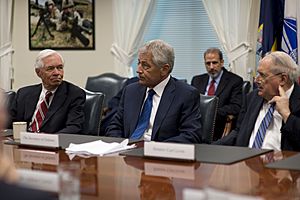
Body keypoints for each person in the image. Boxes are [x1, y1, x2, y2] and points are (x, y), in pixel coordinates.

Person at [106, 39, 202, 143]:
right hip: (127, 153)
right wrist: (121, 145)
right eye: (139, 63)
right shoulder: (130, 90)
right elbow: (114, 126)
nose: (138, 70)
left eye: (145, 66)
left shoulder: (186, 95)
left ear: (164, 69)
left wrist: (154, 149)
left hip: (160, 155)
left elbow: (191, 135)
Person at [215, 51, 300, 151]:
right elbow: (239, 131)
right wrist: (210, 148)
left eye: (262, 75)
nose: (256, 80)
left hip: (281, 164)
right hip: (245, 161)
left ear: (282, 79)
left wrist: (286, 115)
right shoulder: (253, 97)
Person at [9, 49, 85, 134]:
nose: (57, 73)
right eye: (50, 68)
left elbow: (74, 127)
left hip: (51, 143)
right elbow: (8, 124)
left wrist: (46, 139)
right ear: (38, 72)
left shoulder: (74, 94)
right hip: (22, 142)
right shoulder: (23, 94)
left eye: (60, 68)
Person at [191, 48, 243, 140]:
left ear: (222, 62)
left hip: (219, 126)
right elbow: (191, 103)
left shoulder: (235, 81)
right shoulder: (197, 80)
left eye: (214, 63)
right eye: (208, 63)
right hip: (195, 126)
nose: (211, 67)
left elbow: (236, 107)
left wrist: (210, 113)